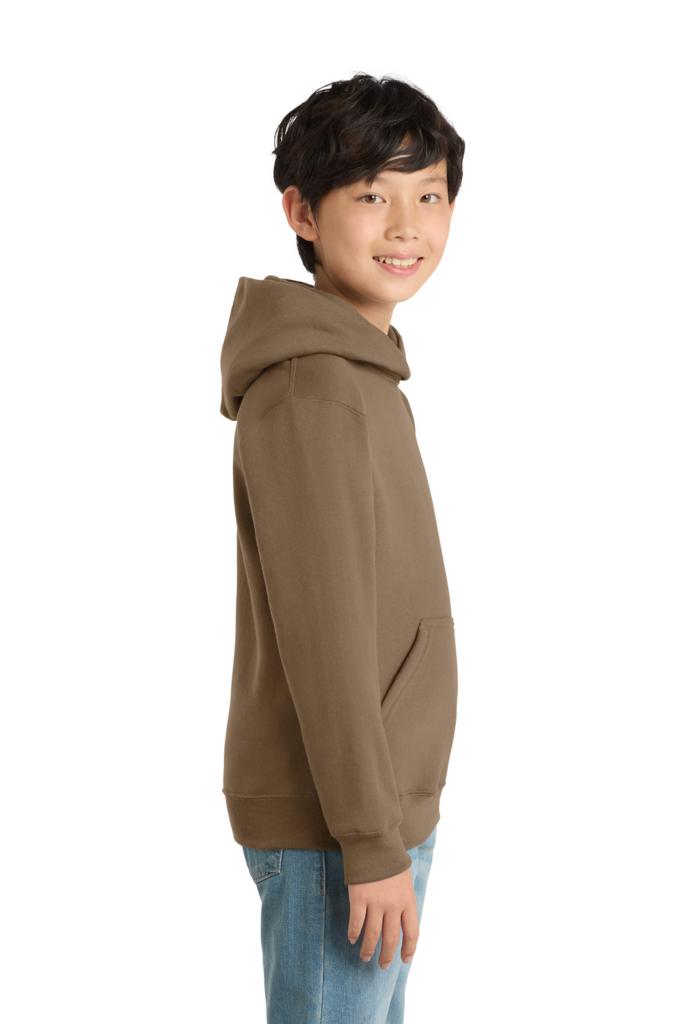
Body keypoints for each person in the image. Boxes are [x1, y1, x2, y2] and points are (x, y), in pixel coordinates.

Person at [218, 71, 465, 1023]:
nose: (406, 226)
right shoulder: (312, 389)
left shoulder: (361, 378)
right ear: (302, 212)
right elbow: (323, 636)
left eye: (428, 196)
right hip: (340, 827)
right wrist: (368, 840)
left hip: (373, 814)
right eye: (370, 195)